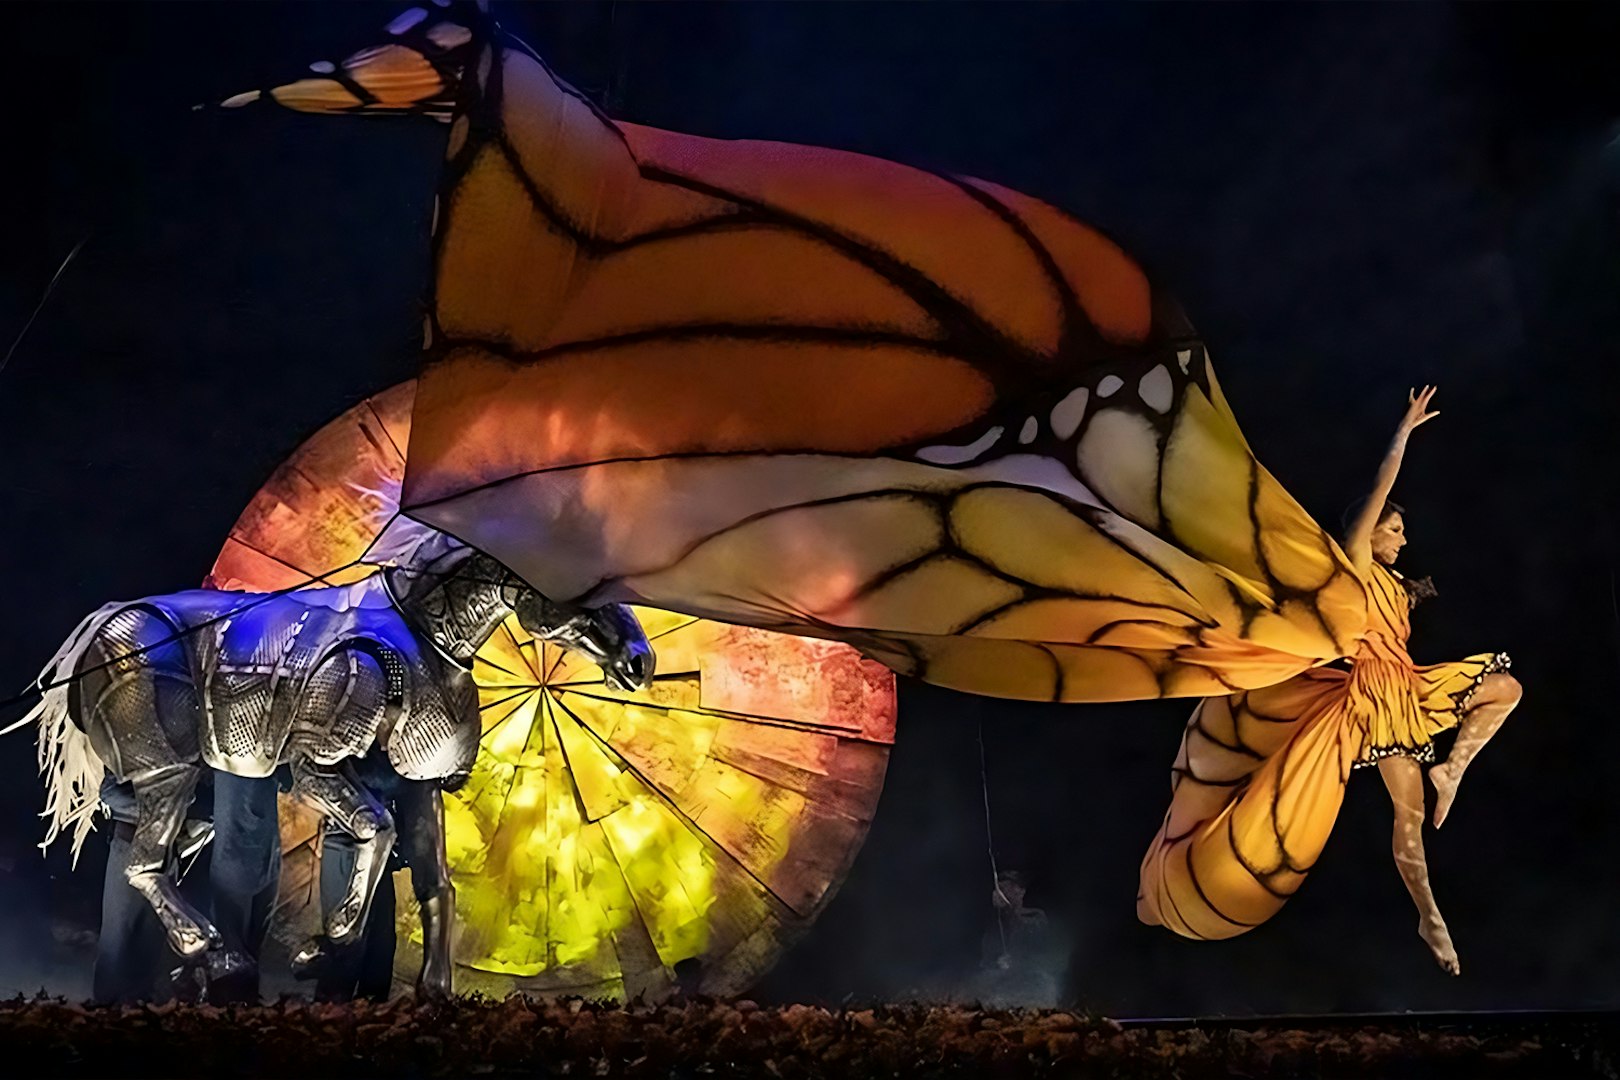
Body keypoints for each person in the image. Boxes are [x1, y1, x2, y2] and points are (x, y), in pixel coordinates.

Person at [1138, 387, 1523, 975]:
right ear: (1368, 535)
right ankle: (1429, 915)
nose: (1399, 538)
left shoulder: (1395, 585)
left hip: (1410, 683)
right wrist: (1404, 433)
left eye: (1397, 532)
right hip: (1374, 696)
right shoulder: (1358, 564)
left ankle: (1453, 768)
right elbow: (1380, 489)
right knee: (1409, 814)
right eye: (1392, 530)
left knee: (1506, 688)